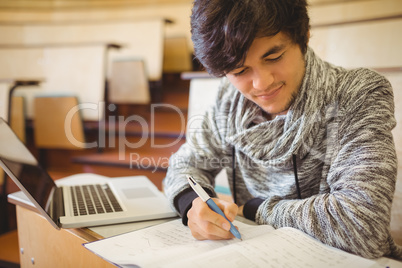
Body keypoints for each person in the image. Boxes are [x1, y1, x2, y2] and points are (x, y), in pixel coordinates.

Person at [163, 0, 402, 260]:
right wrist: (194, 203)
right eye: (240, 70)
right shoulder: (229, 101)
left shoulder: (357, 93)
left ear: (304, 36)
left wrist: (256, 210)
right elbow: (186, 163)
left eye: (274, 57)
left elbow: (363, 228)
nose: (261, 83)